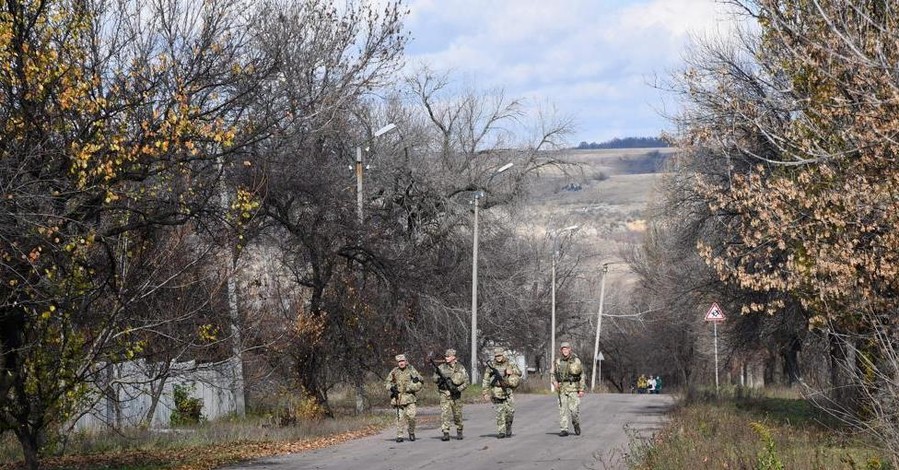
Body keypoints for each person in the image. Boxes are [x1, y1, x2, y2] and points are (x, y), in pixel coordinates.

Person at [481, 347, 522, 439]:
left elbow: (520, 372)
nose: (498, 357)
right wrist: (485, 393)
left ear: (503, 355)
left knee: (510, 413)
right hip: (496, 391)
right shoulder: (491, 365)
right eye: (496, 356)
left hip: (508, 391)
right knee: (500, 412)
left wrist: (511, 371)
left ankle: (508, 426)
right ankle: (501, 431)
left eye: (500, 355)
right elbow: (486, 380)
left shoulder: (510, 363)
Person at [432, 348, 469, 441]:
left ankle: (459, 430)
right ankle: (446, 432)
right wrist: (439, 380)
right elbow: (434, 378)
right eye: (446, 356)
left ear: (453, 357)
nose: (446, 358)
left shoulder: (460, 368)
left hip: (456, 395)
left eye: (448, 356)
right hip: (444, 394)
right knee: (445, 413)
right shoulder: (441, 367)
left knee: (457, 414)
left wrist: (458, 389)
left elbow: (467, 381)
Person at [385, 354, 423, 443]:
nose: (401, 363)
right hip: (399, 399)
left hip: (410, 398)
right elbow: (386, 382)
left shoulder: (411, 370)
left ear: (406, 361)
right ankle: (399, 435)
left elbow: (420, 380)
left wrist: (413, 385)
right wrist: (391, 387)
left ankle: (411, 432)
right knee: (399, 418)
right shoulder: (394, 372)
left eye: (402, 361)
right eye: (399, 362)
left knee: (412, 417)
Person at [552, 341, 586, 436]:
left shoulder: (576, 360)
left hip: (573, 388)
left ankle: (576, 424)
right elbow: (552, 373)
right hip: (562, 389)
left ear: (570, 349)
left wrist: (581, 389)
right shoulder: (557, 361)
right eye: (563, 349)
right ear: (561, 350)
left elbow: (582, 375)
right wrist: (554, 382)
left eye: (567, 348)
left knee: (574, 411)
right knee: (563, 410)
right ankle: (564, 429)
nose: (565, 350)